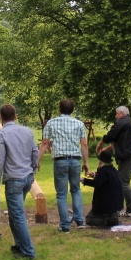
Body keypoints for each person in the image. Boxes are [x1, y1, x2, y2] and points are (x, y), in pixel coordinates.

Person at [0, 104, 38, 260]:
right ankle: (19, 245)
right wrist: (33, 172)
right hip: (26, 178)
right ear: (15, 116)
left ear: (1, 117)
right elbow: (35, 152)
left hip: (14, 179)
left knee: (17, 215)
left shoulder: (1, 134)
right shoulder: (27, 131)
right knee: (14, 214)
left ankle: (28, 252)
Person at [38, 99, 89, 233]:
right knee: (76, 190)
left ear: (59, 109)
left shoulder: (51, 123)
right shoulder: (79, 124)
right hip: (76, 160)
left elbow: (44, 143)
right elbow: (84, 144)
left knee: (61, 194)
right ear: (72, 110)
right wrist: (86, 163)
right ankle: (80, 221)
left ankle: (65, 225)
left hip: (60, 160)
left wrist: (37, 160)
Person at [96, 105, 131, 217]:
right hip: (129, 157)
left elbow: (112, 134)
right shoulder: (126, 124)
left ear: (122, 114)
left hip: (129, 158)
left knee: (121, 182)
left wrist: (101, 143)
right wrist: (104, 149)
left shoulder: (122, 122)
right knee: (124, 182)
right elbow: (118, 141)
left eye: (117, 113)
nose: (116, 116)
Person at [81, 150, 123, 227]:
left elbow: (97, 183)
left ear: (101, 162)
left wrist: (83, 180)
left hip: (105, 203)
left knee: (89, 219)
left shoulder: (103, 171)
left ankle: (108, 220)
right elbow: (104, 179)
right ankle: (112, 216)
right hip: (116, 203)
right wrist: (94, 175)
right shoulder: (114, 170)